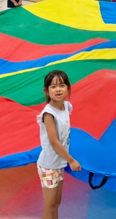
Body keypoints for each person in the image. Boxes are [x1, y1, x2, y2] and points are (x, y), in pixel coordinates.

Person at [38, 70, 82, 219]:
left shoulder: (66, 106)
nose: (58, 89)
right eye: (53, 86)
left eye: (62, 85)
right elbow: (54, 141)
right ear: (46, 90)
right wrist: (71, 160)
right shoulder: (49, 114)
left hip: (58, 164)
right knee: (50, 205)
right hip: (49, 165)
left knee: (57, 202)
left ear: (68, 88)